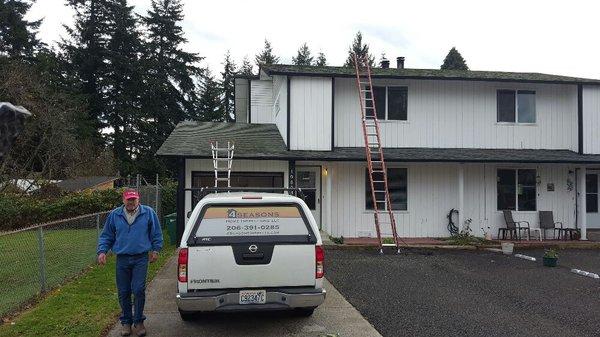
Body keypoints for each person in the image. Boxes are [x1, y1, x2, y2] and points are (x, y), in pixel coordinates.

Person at [97, 189, 163, 337]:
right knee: (124, 291)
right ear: (123, 200)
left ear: (138, 199)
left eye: (134, 199)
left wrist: (156, 250)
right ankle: (126, 321)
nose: (131, 202)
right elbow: (106, 235)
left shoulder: (148, 213)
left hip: (141, 258)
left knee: (138, 289)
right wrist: (102, 251)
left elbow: (156, 233)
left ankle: (139, 321)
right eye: (128, 199)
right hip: (122, 259)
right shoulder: (115, 215)